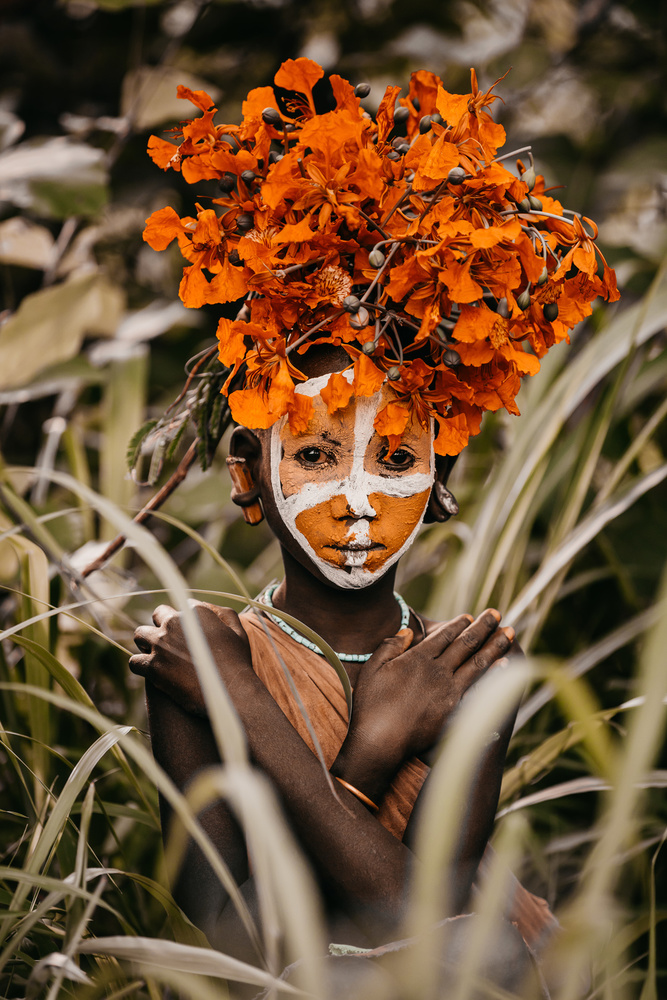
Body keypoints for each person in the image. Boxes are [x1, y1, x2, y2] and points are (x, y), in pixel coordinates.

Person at [129, 57, 617, 995]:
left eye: (395, 459)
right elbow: (242, 940)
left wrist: (247, 711)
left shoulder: (470, 667)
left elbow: (410, 921)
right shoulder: (195, 655)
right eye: (313, 456)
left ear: (441, 479)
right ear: (250, 478)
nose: (357, 496)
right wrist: (376, 745)